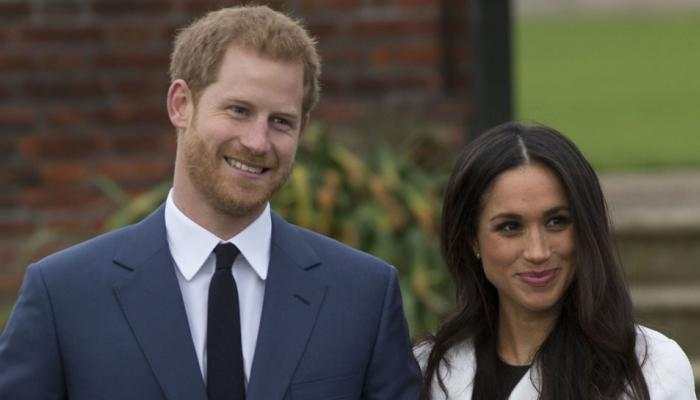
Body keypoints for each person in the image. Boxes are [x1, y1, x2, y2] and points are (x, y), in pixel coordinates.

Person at [0, 6, 421, 400]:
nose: (257, 142)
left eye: (281, 122)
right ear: (181, 104)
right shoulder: (64, 295)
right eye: (238, 110)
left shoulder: (363, 295)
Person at [415, 122, 696, 400]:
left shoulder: (652, 368)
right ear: (472, 239)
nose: (537, 252)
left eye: (557, 222)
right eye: (510, 227)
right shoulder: (429, 370)